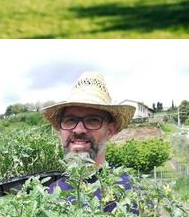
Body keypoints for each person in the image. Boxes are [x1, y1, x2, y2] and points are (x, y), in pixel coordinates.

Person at [40, 71, 136, 205]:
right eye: (70, 120)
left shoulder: (130, 195)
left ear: (110, 131)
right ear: (60, 130)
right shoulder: (48, 196)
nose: (79, 130)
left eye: (92, 120)